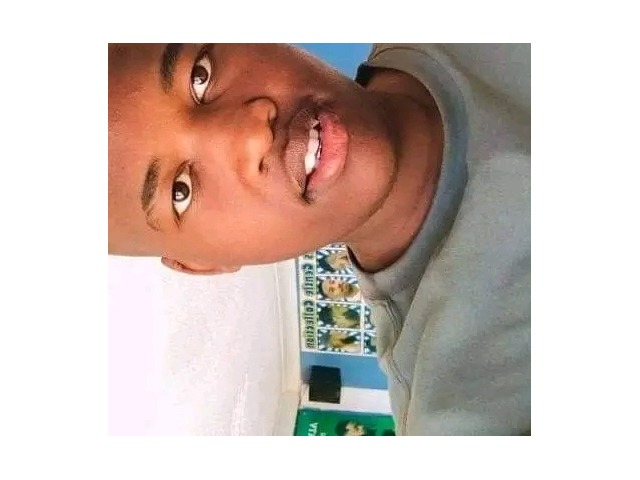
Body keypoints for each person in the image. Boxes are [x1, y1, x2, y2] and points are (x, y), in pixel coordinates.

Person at [109, 44, 530, 435]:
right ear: (202, 263)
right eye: (180, 192)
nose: (251, 135)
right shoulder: (469, 417)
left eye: (200, 76)